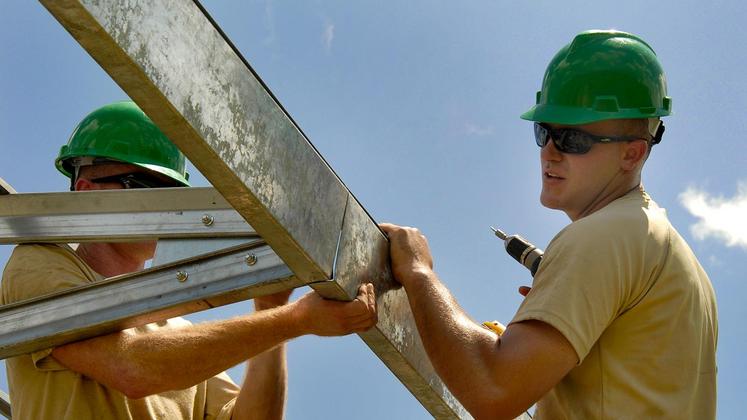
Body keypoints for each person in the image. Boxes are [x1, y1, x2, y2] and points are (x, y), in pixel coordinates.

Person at [381, 30, 717, 419]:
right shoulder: (671, 257)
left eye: (572, 138)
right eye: (544, 132)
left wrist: (419, 273)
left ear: (632, 153)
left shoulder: (603, 236)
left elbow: (493, 391)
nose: (549, 152)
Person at [1, 101, 378, 420]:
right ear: (86, 193)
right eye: (147, 186)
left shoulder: (175, 328)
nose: (167, 207)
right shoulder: (39, 264)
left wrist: (269, 309)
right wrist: (294, 320)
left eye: (173, 193)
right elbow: (131, 367)